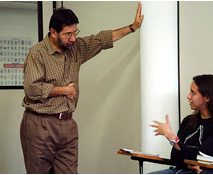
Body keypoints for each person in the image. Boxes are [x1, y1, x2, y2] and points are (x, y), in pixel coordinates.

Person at [20, 2, 144, 174]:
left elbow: (102, 39)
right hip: (40, 124)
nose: (72, 38)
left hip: (68, 124)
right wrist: (65, 90)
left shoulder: (76, 48)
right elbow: (32, 89)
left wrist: (133, 27)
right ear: (53, 32)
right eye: (68, 34)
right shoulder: (37, 54)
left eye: (75, 32)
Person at [150, 74, 213, 174]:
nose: (188, 96)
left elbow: (199, 158)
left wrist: (173, 139)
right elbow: (174, 157)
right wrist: (189, 164)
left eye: (193, 93)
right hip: (179, 170)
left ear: (207, 97)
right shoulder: (188, 121)